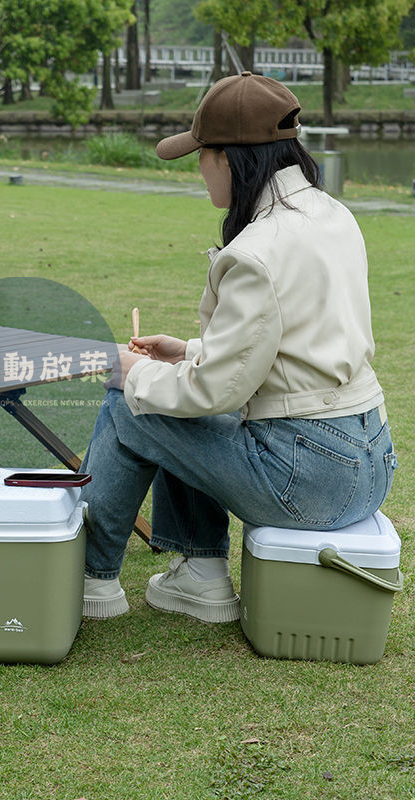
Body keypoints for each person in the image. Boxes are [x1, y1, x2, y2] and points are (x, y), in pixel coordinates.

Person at [81, 72, 397, 622]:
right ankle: (197, 572)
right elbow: (296, 340)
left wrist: (128, 370)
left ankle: (92, 579)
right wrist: (188, 351)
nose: (199, 169)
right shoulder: (332, 214)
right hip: (369, 462)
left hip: (309, 476)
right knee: (166, 401)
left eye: (202, 154)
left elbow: (213, 393)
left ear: (228, 157)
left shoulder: (257, 249)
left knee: (133, 401)